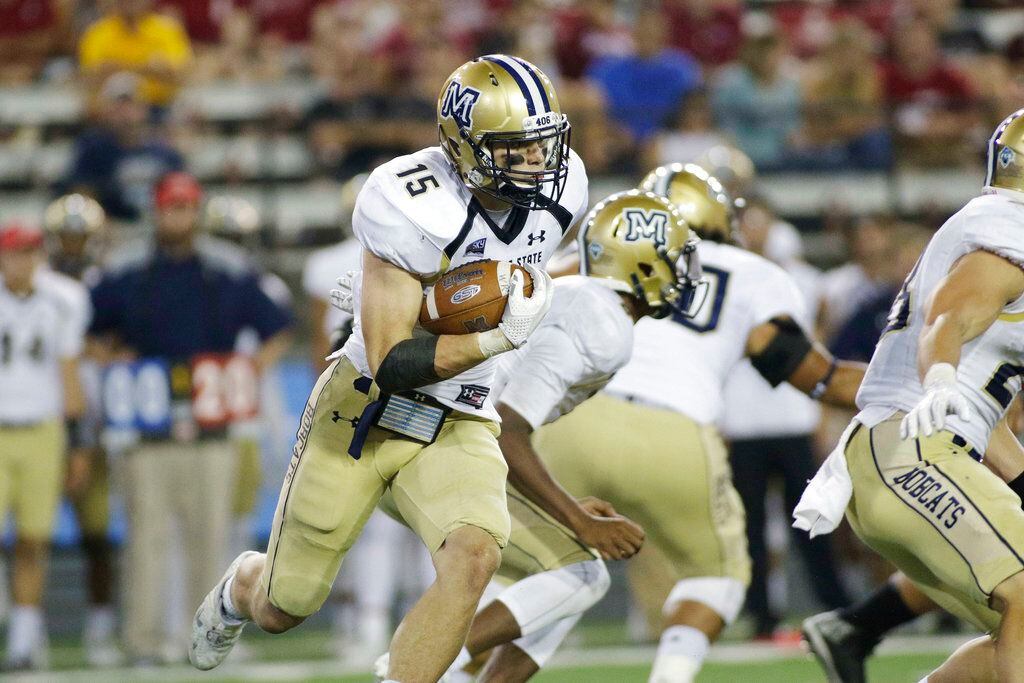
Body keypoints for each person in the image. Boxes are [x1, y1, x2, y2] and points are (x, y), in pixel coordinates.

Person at [188, 54, 589, 683]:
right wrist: (492, 335)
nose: (539, 163)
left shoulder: (562, 191)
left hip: (460, 416)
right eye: (515, 149)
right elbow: (392, 364)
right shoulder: (409, 200)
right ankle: (243, 585)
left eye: (543, 144)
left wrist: (531, 294)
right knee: (284, 607)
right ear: (465, 147)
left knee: (475, 553)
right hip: (363, 416)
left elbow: (519, 271)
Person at [533, 163, 867, 683]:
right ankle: (670, 677)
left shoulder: (583, 258)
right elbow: (813, 375)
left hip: (566, 421)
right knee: (719, 577)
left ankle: (443, 669)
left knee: (532, 577)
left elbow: (516, 309)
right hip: (674, 430)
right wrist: (910, 386)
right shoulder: (750, 270)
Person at [349, 189, 700, 681]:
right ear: (640, 262)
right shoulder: (603, 322)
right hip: (436, 439)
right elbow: (507, 428)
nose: (685, 273)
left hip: (430, 429)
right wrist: (578, 519)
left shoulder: (589, 301)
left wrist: (570, 511)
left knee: (570, 572)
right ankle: (413, 664)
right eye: (674, 258)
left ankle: (450, 670)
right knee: (579, 572)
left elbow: (500, 420)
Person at [794, 109, 1024, 683]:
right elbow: (948, 318)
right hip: (913, 449)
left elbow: (981, 399)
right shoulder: (1010, 229)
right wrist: (941, 376)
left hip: (919, 451)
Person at [87, 171, 292, 664]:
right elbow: (92, 334)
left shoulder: (226, 268)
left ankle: (212, 638)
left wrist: (241, 375)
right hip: (145, 428)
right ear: (157, 209)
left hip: (210, 426)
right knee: (146, 538)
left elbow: (277, 328)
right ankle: (143, 640)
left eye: (187, 207)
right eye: (171, 206)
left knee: (211, 537)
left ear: (196, 211)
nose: (179, 216)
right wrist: (115, 365)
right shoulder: (126, 269)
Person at [721, 194, 850, 640]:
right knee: (750, 527)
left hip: (794, 417)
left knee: (813, 521)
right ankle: (762, 614)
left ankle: (837, 605)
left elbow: (820, 343)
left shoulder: (803, 279)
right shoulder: (728, 278)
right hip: (742, 420)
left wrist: (818, 417)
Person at [0, 222, 90, 671]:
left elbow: (70, 376)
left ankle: (23, 641)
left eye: (29, 253)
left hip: (42, 430)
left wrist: (77, 445)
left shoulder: (64, 298)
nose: (23, 262)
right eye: (15, 253)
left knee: (33, 541)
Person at [42, 194, 123, 667]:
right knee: (30, 528)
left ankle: (99, 625)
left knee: (97, 532)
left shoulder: (109, 283)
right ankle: (27, 625)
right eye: (68, 236)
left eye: (81, 236)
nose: (74, 245)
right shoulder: (39, 286)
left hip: (96, 413)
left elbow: (119, 338)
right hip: (45, 412)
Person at [61, 72, 185, 222]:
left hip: (158, 227)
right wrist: (102, 223)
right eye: (118, 105)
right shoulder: (92, 149)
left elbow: (181, 192)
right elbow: (83, 195)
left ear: (144, 108)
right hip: (112, 228)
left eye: (130, 104)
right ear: (106, 109)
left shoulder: (164, 150)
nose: (125, 112)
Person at [79, 0, 192, 111]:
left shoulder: (167, 30)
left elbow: (179, 75)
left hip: (159, 108)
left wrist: (117, 67)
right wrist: (149, 69)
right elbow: (90, 77)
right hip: (109, 111)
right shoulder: (97, 33)